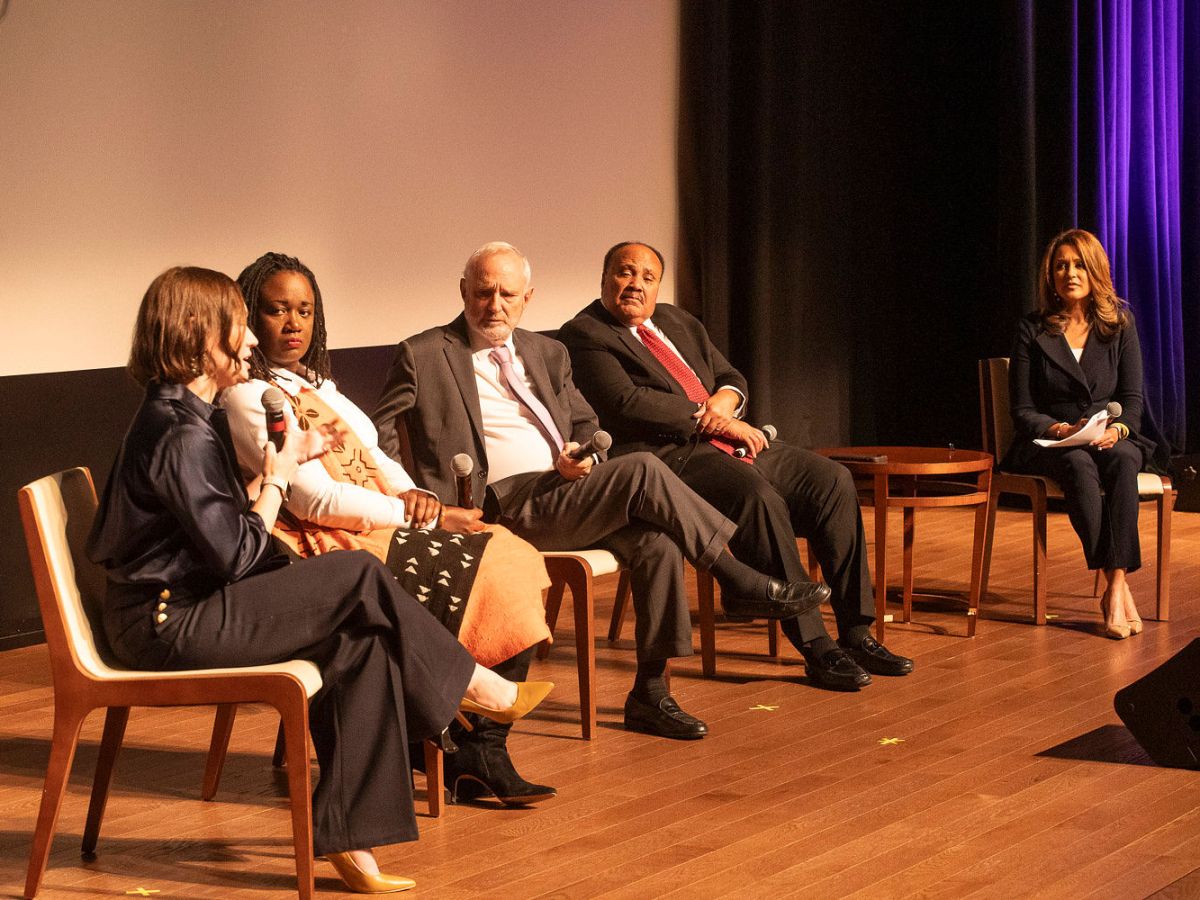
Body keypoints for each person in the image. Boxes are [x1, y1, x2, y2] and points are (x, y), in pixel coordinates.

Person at [87, 266, 551, 894]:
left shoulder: (185, 417)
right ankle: (473, 688)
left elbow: (224, 535)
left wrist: (274, 474)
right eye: (238, 327)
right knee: (358, 572)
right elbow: (238, 555)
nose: (252, 341)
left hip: (191, 604)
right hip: (167, 623)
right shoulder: (175, 431)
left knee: (359, 642)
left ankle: (351, 840)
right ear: (201, 337)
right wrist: (277, 475)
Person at [373, 242, 829, 740]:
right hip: (495, 506)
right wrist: (415, 493)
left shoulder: (547, 351)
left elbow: (586, 420)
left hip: (564, 491)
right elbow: (379, 435)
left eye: (507, 294)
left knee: (657, 543)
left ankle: (650, 694)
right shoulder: (423, 352)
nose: (495, 305)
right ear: (464, 291)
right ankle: (736, 577)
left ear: (528, 297)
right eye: (483, 293)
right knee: (641, 471)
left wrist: (583, 452)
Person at [221, 251, 556, 807]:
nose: (294, 323)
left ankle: (479, 748)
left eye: (304, 310)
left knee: (510, 553)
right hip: (322, 540)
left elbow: (377, 455)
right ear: (251, 317)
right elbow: (316, 499)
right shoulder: (250, 396)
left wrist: (414, 495)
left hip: (378, 519)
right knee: (493, 562)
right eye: (277, 310)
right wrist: (417, 515)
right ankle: (456, 741)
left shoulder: (317, 384)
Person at [558, 242, 914, 691]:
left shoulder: (677, 320)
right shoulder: (586, 333)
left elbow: (731, 378)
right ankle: (817, 646)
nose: (636, 285)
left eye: (648, 278)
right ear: (605, 276)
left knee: (833, 480)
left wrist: (726, 403)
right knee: (757, 498)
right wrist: (713, 421)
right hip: (669, 455)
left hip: (729, 440)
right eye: (625, 273)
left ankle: (857, 631)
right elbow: (626, 403)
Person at [1005, 228, 1154, 639]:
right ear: (1050, 276)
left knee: (1125, 459)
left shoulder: (1120, 325)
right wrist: (1060, 428)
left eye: (1078, 265)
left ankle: (1116, 585)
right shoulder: (1032, 330)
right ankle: (1115, 583)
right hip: (1050, 440)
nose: (1069, 273)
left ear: (1095, 271)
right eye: (1061, 265)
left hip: (1107, 432)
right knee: (1077, 463)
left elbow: (1132, 399)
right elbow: (1022, 410)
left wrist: (1119, 429)